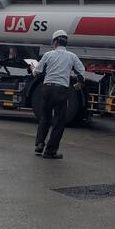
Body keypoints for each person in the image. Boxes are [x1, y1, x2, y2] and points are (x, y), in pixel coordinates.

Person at [32, 30, 85, 159]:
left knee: (45, 117)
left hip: (47, 89)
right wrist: (79, 83)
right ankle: (50, 151)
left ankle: (40, 144)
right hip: (61, 90)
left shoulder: (48, 55)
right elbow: (81, 71)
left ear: (55, 42)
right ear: (65, 42)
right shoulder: (72, 56)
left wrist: (33, 69)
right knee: (59, 122)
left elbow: (38, 71)